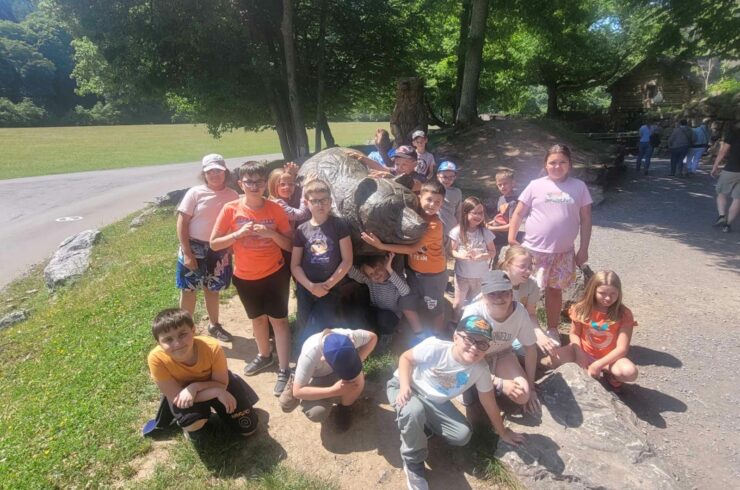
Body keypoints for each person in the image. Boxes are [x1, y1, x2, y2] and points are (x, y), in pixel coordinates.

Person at [387, 314, 525, 490]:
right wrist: (404, 385)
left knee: (461, 435)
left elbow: (489, 402)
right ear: (455, 337)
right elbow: (406, 358)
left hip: (434, 401)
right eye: (469, 339)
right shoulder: (436, 347)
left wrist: (503, 432)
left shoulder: (481, 369)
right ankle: (412, 461)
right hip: (406, 387)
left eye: (482, 344)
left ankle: (420, 425)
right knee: (413, 411)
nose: (474, 347)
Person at [210, 161, 293, 396]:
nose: (254, 186)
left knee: (279, 321)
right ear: (240, 184)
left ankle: (284, 369)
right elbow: (214, 243)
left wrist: (271, 234)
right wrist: (237, 234)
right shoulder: (230, 209)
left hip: (275, 274)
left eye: (259, 181)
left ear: (266, 183)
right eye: (249, 182)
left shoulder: (276, 209)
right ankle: (265, 355)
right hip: (245, 276)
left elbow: (290, 244)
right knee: (257, 320)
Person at [508, 144, 592, 340]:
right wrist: (512, 237)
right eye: (552, 162)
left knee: (554, 291)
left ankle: (552, 329)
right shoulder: (535, 185)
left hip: (563, 252)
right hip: (533, 251)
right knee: (526, 289)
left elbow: (586, 219)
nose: (557, 166)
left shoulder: (579, 187)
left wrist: (584, 248)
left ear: (570, 164)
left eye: (562, 162)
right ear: (545, 165)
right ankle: (521, 328)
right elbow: (518, 212)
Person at [147, 308, 259, 441]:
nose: (177, 343)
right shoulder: (156, 359)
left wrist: (195, 387)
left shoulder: (211, 347)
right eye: (168, 339)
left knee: (248, 429)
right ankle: (192, 423)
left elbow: (221, 384)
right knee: (193, 424)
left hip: (214, 382)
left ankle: (235, 391)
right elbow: (176, 397)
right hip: (183, 391)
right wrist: (215, 392)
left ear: (193, 330)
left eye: (182, 334)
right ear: (159, 343)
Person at [361, 180, 448, 339]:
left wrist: (381, 246)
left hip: (433, 275)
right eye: (429, 199)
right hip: (413, 272)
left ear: (442, 204)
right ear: (419, 197)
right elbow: (409, 185)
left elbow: (412, 249)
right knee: (406, 303)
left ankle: (439, 337)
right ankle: (419, 334)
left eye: (437, 202)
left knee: (435, 307)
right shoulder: (414, 212)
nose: (432, 205)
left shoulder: (434, 225)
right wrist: (386, 177)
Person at [176, 154, 239, 342]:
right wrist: (187, 253)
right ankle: (184, 329)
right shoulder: (195, 193)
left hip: (219, 247)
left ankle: (214, 325)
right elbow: (182, 223)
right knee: (188, 289)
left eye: (218, 170)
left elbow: (234, 222)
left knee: (213, 288)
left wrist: (231, 247)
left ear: (225, 172)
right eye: (210, 171)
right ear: (204, 174)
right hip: (194, 246)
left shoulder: (232, 195)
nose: (214, 174)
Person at [461, 270, 539, 413]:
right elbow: (464, 355)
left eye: (504, 292)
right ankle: (480, 388)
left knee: (523, 395)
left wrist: (532, 388)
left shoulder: (519, 312)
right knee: (474, 401)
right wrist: (500, 383)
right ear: (483, 296)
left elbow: (530, 348)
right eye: (492, 293)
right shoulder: (474, 313)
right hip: (475, 359)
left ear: (511, 293)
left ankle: (491, 387)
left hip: (502, 354)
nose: (499, 298)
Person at [548, 270, 638, 392]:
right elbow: (574, 334)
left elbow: (622, 349)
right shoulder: (581, 308)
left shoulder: (624, 314)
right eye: (602, 293)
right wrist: (580, 354)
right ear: (593, 291)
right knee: (548, 361)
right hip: (583, 351)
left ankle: (608, 373)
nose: (608, 298)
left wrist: (598, 365)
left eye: (613, 293)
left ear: (619, 293)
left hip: (609, 358)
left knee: (630, 372)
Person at [291, 179, 353, 350]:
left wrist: (327, 285)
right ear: (306, 203)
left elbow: (347, 260)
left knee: (318, 326)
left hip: (330, 288)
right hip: (306, 287)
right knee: (303, 322)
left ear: (330, 201)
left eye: (324, 200)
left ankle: (315, 357)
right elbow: (295, 265)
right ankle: (301, 356)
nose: (320, 205)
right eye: (315, 201)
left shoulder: (339, 225)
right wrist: (311, 286)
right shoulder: (301, 230)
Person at [278, 329, 377, 432]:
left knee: (356, 382)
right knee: (315, 412)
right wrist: (334, 390)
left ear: (352, 342)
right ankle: (297, 377)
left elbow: (372, 337)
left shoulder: (351, 336)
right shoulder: (310, 353)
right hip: (316, 375)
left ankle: (344, 408)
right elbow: (297, 392)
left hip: (333, 369)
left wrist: (357, 360)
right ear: (324, 358)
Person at [498, 246, 562, 359]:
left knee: (548, 347)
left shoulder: (531, 284)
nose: (528, 271)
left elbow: (530, 314)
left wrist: (539, 334)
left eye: (530, 266)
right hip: (499, 327)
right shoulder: (497, 283)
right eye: (522, 267)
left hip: (519, 325)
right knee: (525, 349)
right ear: (508, 265)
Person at [449, 196, 496, 322]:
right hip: (462, 275)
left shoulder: (485, 232)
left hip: (481, 276)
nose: (479, 216)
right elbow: (452, 251)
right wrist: (461, 255)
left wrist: (482, 256)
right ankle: (454, 322)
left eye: (481, 213)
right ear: (465, 213)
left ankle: (472, 324)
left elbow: (493, 252)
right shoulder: (457, 231)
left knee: (476, 302)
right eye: (475, 213)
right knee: (458, 303)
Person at [347, 252, 411, 339]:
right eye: (371, 274)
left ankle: (386, 336)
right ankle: (369, 335)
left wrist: (389, 269)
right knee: (359, 312)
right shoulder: (370, 281)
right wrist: (345, 261)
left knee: (384, 318)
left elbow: (405, 291)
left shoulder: (395, 277)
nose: (376, 275)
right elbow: (352, 272)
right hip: (376, 311)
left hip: (391, 315)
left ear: (385, 265)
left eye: (377, 269)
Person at [711, 121, 740, 233]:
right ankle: (727, 225)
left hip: (731, 169)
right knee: (738, 199)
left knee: (721, 193)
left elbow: (723, 151)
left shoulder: (733, 132)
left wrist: (715, 166)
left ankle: (722, 216)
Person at [486, 168, 523, 256]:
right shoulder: (501, 198)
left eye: (505, 184)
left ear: (513, 183)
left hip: (505, 235)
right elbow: (502, 216)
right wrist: (490, 222)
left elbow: (511, 225)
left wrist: (491, 228)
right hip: (497, 230)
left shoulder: (514, 202)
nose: (502, 187)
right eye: (500, 185)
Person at [436, 161, 463, 238]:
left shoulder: (457, 192)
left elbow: (458, 212)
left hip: (451, 231)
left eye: (451, 177)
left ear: (455, 177)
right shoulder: (432, 190)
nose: (448, 180)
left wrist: (460, 226)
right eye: (444, 177)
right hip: (435, 231)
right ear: (438, 176)